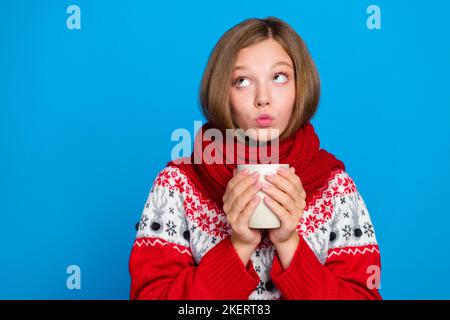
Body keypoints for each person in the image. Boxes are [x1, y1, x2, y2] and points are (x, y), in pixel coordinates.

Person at [128, 16, 382, 300]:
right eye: (243, 81)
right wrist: (238, 245)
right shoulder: (177, 185)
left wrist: (289, 244)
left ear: (301, 87)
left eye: (279, 77)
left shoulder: (335, 188)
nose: (263, 98)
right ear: (223, 91)